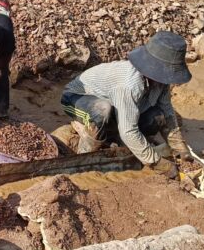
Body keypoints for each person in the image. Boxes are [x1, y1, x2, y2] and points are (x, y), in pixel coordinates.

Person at [61, 31, 193, 176]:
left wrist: (180, 148)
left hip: (116, 103)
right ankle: (86, 141)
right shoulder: (129, 85)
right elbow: (129, 131)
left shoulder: (161, 82)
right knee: (102, 110)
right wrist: (157, 163)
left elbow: (167, 113)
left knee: (157, 116)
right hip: (77, 98)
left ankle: (113, 131)